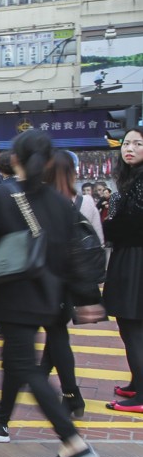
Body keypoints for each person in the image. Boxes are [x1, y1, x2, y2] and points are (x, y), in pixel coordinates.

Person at [0, 129, 105, 457]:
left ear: (15, 161)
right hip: (51, 295)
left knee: (24, 364)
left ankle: (73, 443)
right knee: (16, 358)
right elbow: (77, 252)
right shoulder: (61, 201)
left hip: (14, 297)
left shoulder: (0, 196)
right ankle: (0, 419)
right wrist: (86, 297)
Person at [38, 149, 104, 418]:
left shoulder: (40, 201)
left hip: (46, 279)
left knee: (57, 336)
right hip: (73, 282)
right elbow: (96, 244)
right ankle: (44, 377)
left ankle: (71, 394)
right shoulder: (85, 202)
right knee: (56, 334)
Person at [102, 127, 143, 413]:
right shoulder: (132, 179)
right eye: (126, 143)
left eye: (138, 144)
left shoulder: (139, 182)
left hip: (135, 258)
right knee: (130, 325)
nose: (129, 148)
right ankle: (136, 382)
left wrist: (111, 219)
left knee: (132, 325)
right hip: (129, 255)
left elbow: (132, 224)